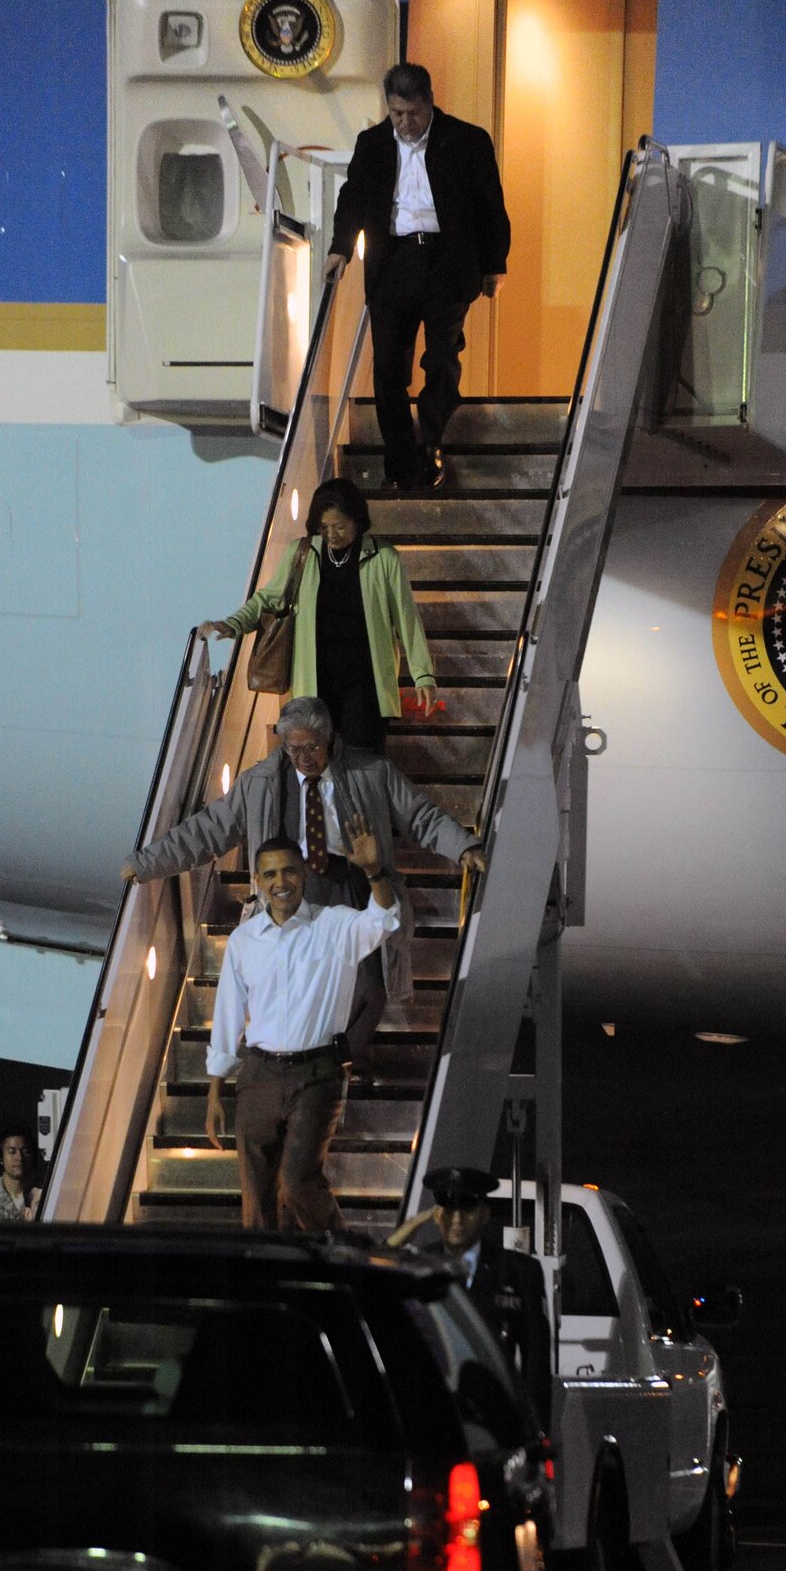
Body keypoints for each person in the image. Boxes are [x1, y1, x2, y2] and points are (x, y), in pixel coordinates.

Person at [123, 696, 485, 1078]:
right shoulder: (260, 782)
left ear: (329, 739)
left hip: (352, 879)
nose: (303, 757)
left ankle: (347, 1055)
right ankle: (310, 1057)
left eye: (311, 747)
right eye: (293, 748)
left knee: (370, 982)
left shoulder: (370, 772)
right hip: (291, 886)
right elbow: (209, 830)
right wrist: (146, 864)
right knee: (300, 981)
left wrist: (462, 846)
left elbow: (419, 815)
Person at [325, 62, 510, 491]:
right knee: (389, 367)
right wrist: (341, 247)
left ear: (429, 102)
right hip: (393, 261)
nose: (405, 122)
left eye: (412, 113)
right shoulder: (371, 144)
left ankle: (431, 444)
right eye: (396, 114)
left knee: (441, 360)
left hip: (448, 260)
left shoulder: (467, 140)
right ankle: (399, 459)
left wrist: (494, 263)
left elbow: (490, 205)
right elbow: (351, 196)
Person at [206, 826, 398, 1232]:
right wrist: (214, 1091)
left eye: (289, 872)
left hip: (318, 1072)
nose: (281, 882)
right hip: (258, 1073)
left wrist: (376, 873)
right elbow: (228, 1013)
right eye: (271, 874)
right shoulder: (244, 940)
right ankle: (267, 1285)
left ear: (304, 875)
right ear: (257, 881)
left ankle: (342, 1260)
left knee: (297, 1182)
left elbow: (383, 921)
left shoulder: (333, 926)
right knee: (257, 1201)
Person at [197, 477, 437, 752]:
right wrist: (233, 624)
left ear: (357, 521)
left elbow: (407, 621)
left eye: (340, 526)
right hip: (315, 683)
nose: (332, 534)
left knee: (363, 766)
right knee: (319, 767)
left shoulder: (384, 558)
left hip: (367, 685)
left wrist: (423, 675)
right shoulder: (302, 553)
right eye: (324, 527)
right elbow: (268, 598)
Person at [389, 1165, 552, 1421]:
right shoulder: (417, 1267)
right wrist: (409, 1227)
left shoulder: (519, 1272)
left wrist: (537, 1430)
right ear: (437, 1215)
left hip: (492, 1419)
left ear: (486, 1214)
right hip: (431, 1417)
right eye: (449, 1210)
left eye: (468, 1209)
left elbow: (536, 1366)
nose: (457, 1220)